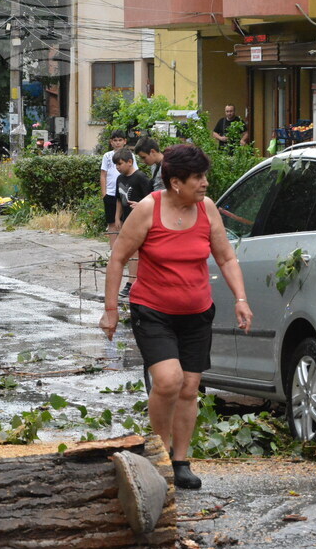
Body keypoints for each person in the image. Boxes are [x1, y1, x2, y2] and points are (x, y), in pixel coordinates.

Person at [99, 144, 253, 490]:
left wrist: (241, 299)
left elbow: (227, 258)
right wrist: (111, 309)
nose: (205, 184)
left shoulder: (207, 209)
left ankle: (180, 461)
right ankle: (158, 452)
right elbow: (118, 258)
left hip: (196, 313)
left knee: (189, 387)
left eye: (204, 176)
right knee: (168, 380)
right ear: (175, 182)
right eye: (198, 178)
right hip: (153, 311)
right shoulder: (149, 210)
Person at [113, 148, 152, 298]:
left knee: (135, 252)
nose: (118, 167)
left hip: (139, 221)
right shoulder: (119, 179)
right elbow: (119, 199)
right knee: (129, 253)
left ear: (130, 162)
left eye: (120, 164)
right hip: (126, 220)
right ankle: (132, 281)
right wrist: (118, 217)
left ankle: (132, 283)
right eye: (116, 164)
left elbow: (150, 198)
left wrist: (141, 205)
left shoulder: (141, 177)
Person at [100, 131, 127, 234]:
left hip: (124, 192)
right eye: (115, 140)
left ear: (125, 141)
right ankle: (112, 248)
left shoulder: (130, 156)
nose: (117, 143)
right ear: (111, 142)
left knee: (124, 221)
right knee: (112, 222)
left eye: (120, 140)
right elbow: (103, 175)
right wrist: (104, 194)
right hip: (110, 193)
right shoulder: (107, 156)